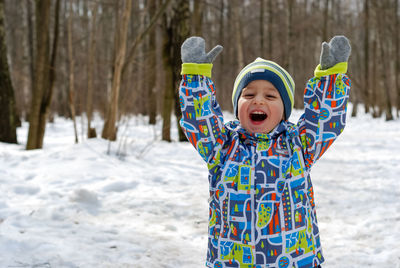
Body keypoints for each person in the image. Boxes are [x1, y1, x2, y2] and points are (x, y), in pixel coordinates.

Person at [178, 36, 351, 268]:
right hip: (232, 262)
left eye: (270, 96)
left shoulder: (299, 145)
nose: (258, 100)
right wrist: (195, 77)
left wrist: (331, 78)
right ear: (237, 104)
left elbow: (326, 119)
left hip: (294, 261)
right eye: (248, 95)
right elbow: (199, 119)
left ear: (284, 111)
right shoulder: (222, 147)